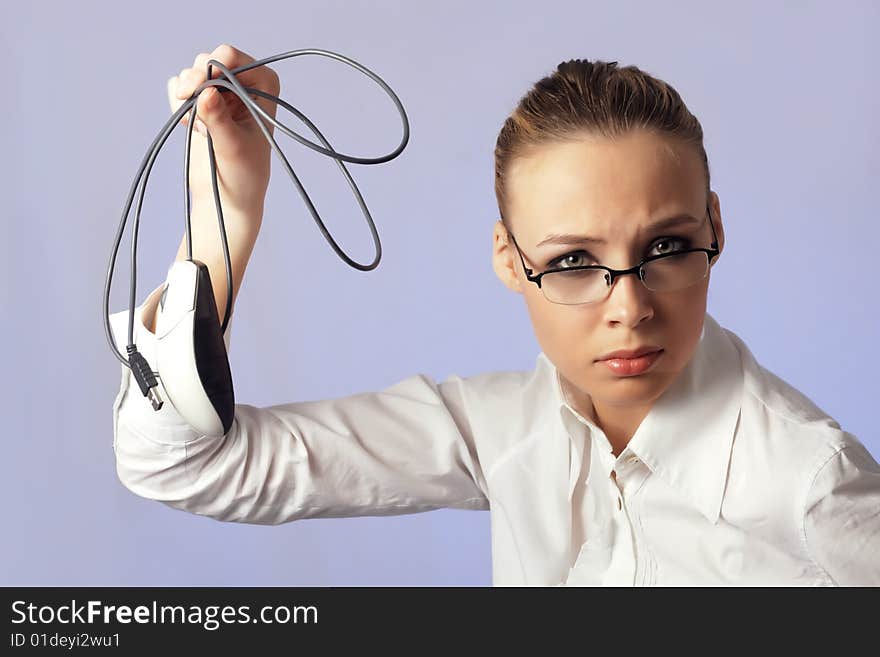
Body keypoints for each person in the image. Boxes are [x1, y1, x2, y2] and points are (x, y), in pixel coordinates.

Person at [109, 44, 880, 586]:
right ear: (510, 260)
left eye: (668, 245)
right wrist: (228, 210)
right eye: (574, 261)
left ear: (714, 227)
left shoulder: (813, 485)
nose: (631, 307)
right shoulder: (502, 431)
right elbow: (182, 464)